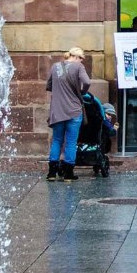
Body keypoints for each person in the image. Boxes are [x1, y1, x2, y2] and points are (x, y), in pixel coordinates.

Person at [46, 47, 91, 182]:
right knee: (71, 142)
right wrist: (82, 92)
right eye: (81, 59)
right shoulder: (78, 67)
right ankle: (68, 174)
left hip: (57, 111)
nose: (81, 61)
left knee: (57, 140)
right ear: (77, 57)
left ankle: (52, 173)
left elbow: (49, 85)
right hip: (74, 110)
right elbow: (87, 82)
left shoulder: (55, 66)